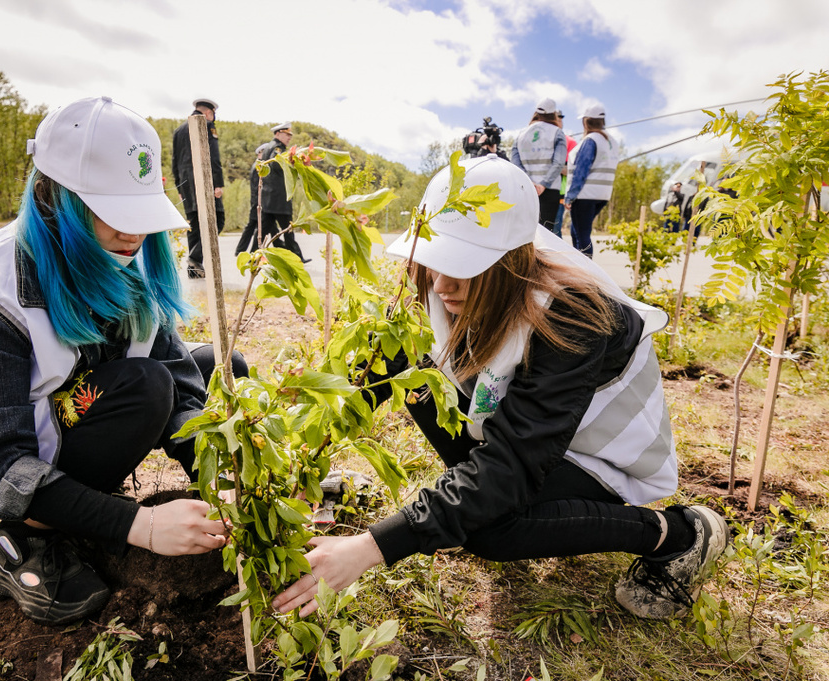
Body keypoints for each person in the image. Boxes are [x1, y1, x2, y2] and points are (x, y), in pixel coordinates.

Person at [272, 155, 728, 621]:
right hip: (517, 426)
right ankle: (475, 502)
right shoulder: (442, 283)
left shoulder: (572, 315)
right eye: (435, 260)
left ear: (511, 261)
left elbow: (514, 461)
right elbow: (373, 370)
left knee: (491, 530)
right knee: (413, 374)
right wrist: (305, 460)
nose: (442, 285)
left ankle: (678, 533)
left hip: (592, 455)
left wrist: (372, 547)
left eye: (464, 267)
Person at [0, 97, 241, 625]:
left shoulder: (125, 256)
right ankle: (23, 543)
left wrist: (214, 469)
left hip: (82, 409)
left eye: (141, 215)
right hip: (7, 455)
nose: (135, 234)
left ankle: (119, 507)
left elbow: (179, 374)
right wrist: (141, 527)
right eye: (113, 214)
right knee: (144, 388)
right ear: (50, 197)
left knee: (224, 365)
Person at [171, 97, 225, 278]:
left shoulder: (179, 130)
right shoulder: (207, 125)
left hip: (186, 185)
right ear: (209, 113)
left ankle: (194, 270)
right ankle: (195, 257)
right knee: (217, 219)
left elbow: (174, 161)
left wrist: (179, 187)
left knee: (194, 224)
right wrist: (218, 184)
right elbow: (213, 157)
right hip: (204, 181)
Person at [563, 103, 617, 258]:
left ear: (585, 122)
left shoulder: (591, 140)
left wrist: (570, 196)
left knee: (582, 236)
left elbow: (581, 170)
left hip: (585, 195)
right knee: (576, 231)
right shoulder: (612, 141)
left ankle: (586, 274)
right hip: (602, 195)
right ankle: (580, 268)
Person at [511, 98, 567, 235]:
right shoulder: (557, 132)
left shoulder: (521, 134)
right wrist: (543, 184)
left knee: (526, 232)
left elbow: (515, 163)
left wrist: (530, 183)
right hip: (550, 189)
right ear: (553, 113)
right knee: (546, 233)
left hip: (526, 189)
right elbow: (559, 163)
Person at [258, 123, 308, 262]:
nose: (289, 138)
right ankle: (297, 257)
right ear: (278, 134)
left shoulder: (268, 147)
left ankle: (253, 254)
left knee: (264, 230)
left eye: (290, 135)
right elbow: (277, 164)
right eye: (287, 135)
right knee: (288, 229)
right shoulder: (277, 148)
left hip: (270, 197)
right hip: (279, 198)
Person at [235, 144, 268, 256]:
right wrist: (259, 201)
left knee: (253, 226)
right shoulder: (257, 167)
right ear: (260, 153)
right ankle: (242, 250)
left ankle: (240, 250)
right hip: (257, 201)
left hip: (257, 201)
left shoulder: (259, 165)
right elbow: (256, 187)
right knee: (253, 226)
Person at [552, 110, 577, 237]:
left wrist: (553, 165)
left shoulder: (570, 142)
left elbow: (572, 170)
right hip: (540, 191)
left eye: (560, 119)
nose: (558, 121)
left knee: (555, 229)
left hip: (560, 193)